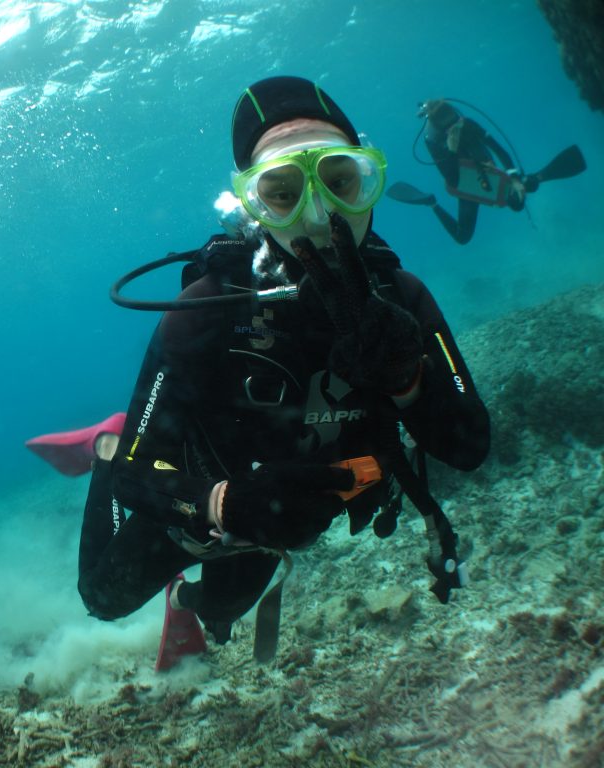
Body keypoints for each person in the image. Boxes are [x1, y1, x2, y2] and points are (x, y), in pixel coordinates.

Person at [74, 76, 491, 663]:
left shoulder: (403, 299)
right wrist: (223, 503)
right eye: (284, 192)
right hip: (210, 491)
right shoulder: (205, 311)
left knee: (220, 608)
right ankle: (105, 440)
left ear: (368, 185)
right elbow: (138, 475)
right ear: (253, 205)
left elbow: (468, 446)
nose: (320, 214)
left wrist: (408, 378)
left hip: (291, 510)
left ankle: (200, 603)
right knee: (102, 598)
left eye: (342, 181)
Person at [387, 98, 585, 244]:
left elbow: (500, 150)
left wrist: (514, 178)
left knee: (519, 199)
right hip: (463, 184)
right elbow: (451, 178)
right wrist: (451, 150)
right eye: (447, 123)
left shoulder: (469, 124)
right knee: (462, 236)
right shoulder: (432, 140)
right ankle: (431, 203)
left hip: (486, 169)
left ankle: (533, 178)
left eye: (454, 119)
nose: (453, 125)